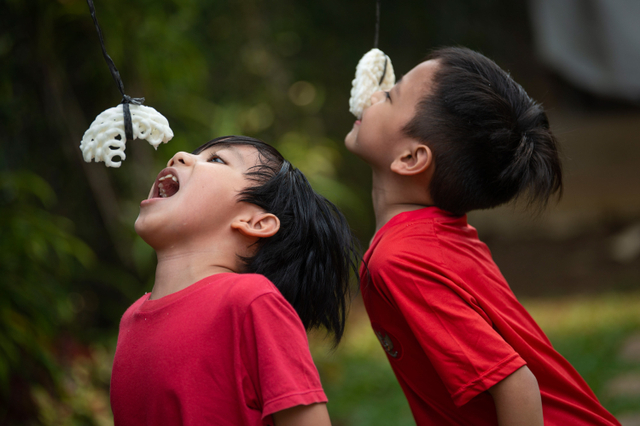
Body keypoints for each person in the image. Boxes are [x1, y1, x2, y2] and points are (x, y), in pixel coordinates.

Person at [345, 47, 620, 426]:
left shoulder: (401, 260)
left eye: (390, 97)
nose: (374, 95)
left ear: (411, 158)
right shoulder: (434, 237)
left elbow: (517, 385)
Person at [110, 135, 359, 426]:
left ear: (255, 222)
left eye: (217, 159)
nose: (178, 156)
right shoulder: (131, 318)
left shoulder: (251, 301)